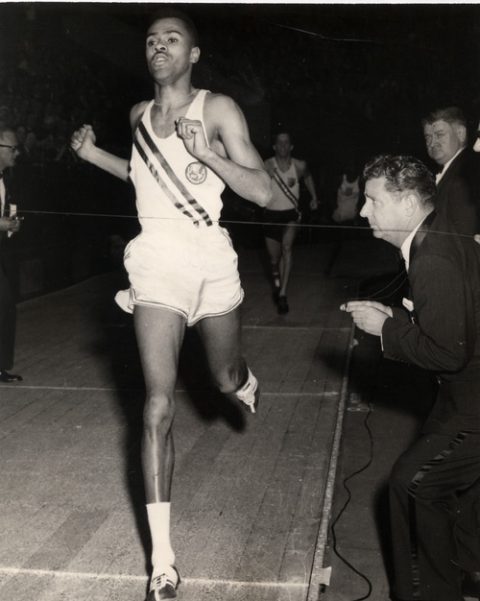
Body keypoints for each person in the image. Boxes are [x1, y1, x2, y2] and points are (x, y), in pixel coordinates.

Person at [71, 10, 271, 601]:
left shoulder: (218, 109)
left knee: (224, 377)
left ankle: (242, 379)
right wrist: (93, 156)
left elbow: (266, 192)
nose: (159, 46)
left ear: (194, 54)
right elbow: (144, 178)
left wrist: (206, 154)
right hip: (156, 259)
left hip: (209, 254)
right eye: (152, 40)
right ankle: (163, 562)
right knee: (157, 404)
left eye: (172, 39)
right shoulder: (138, 115)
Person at [341, 155, 480, 601]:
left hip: (473, 401)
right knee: (451, 495)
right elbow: (451, 321)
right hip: (462, 396)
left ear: (406, 204)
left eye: (372, 200)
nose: (363, 210)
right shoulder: (436, 237)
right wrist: (394, 317)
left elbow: (449, 353)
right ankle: (466, 571)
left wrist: (385, 329)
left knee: (413, 483)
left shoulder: (432, 257)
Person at [263, 131, 318, 314]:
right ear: (274, 146)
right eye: (280, 142)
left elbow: (308, 177)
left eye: (286, 142)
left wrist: (314, 197)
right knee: (273, 260)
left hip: (291, 215)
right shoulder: (267, 165)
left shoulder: (300, 165)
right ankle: (277, 283)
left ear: (291, 146)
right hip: (270, 216)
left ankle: (283, 294)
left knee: (287, 248)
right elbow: (254, 184)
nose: (283, 146)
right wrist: (264, 176)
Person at [422, 106, 478, 234]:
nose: (432, 143)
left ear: (460, 133)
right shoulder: (452, 170)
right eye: (428, 137)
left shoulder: (466, 174)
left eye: (439, 135)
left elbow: (464, 237)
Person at [0, 126, 23, 383]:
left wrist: (10, 225)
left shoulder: (7, 178)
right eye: (13, 148)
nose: (16, 153)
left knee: (5, 304)